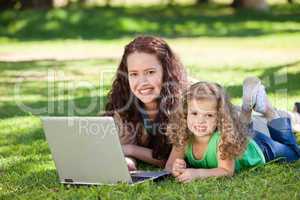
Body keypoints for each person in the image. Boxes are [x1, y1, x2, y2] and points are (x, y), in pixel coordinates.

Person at [165, 77, 300, 183]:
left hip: (259, 147)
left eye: (209, 115)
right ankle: (246, 111)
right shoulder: (184, 136)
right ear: (185, 113)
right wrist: (177, 169)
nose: (200, 120)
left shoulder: (222, 140)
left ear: (220, 117)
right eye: (194, 114)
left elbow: (226, 170)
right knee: (240, 132)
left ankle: (269, 112)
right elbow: (169, 166)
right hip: (239, 137)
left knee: (293, 153)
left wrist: (198, 174)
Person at [104, 36, 187, 170]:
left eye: (150, 72)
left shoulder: (186, 100)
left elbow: (171, 162)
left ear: (166, 72)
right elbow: (123, 147)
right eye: (134, 74)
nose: (142, 82)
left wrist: (131, 150)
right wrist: (128, 161)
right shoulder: (124, 101)